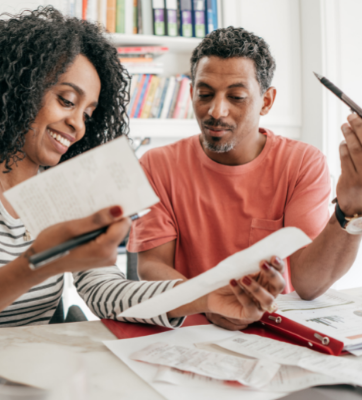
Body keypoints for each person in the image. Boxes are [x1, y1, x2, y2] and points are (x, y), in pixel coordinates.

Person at [0, 9, 285, 364]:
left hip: (32, 367)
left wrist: (203, 296)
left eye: (89, 114)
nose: (78, 125)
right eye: (66, 101)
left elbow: (105, 291)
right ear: (16, 87)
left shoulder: (65, 188)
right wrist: (36, 265)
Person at [128, 26, 362, 330]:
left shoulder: (302, 163)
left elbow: (309, 284)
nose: (216, 110)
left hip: (273, 332)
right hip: (188, 330)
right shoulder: (157, 164)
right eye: (204, 94)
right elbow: (151, 265)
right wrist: (209, 301)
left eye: (236, 97)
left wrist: (351, 207)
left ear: (266, 101)